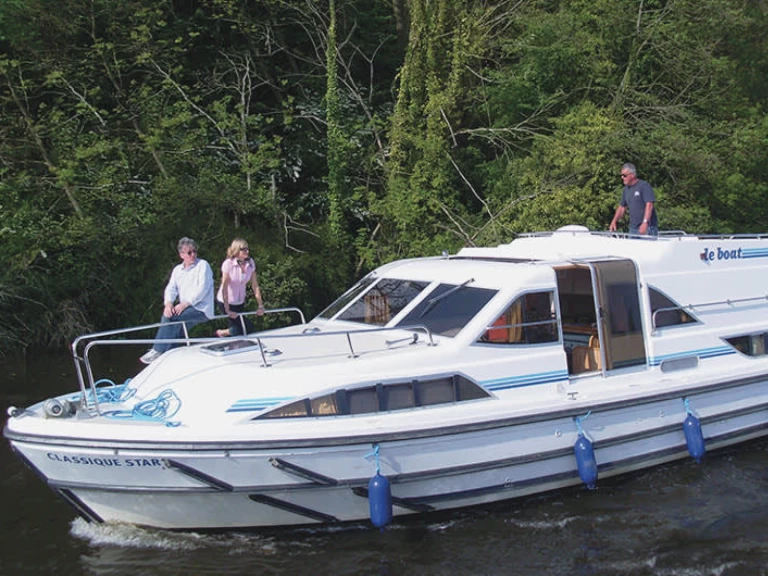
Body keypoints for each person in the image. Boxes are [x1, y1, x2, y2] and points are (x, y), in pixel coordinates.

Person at [139, 237, 214, 364]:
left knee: (170, 317)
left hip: (202, 309)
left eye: (194, 251)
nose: (193, 255)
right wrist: (168, 303)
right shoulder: (177, 270)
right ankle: (170, 357)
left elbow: (202, 290)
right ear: (181, 255)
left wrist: (184, 304)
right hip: (187, 308)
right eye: (189, 252)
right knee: (175, 328)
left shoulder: (203, 265)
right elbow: (171, 288)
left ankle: (157, 349)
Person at [215, 238, 264, 338]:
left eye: (247, 249)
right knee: (245, 328)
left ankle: (226, 335)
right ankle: (222, 333)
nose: (247, 251)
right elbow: (224, 287)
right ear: (237, 250)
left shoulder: (250, 263)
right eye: (244, 249)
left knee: (239, 328)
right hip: (226, 301)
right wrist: (227, 310)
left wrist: (260, 305)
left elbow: (255, 285)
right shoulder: (228, 264)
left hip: (239, 301)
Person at [609, 163, 658, 236]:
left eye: (624, 175)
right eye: (621, 175)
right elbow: (622, 207)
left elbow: (649, 204)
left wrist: (645, 222)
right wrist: (614, 221)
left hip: (647, 227)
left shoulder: (644, 186)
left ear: (632, 175)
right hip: (633, 229)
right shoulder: (626, 189)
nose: (622, 177)